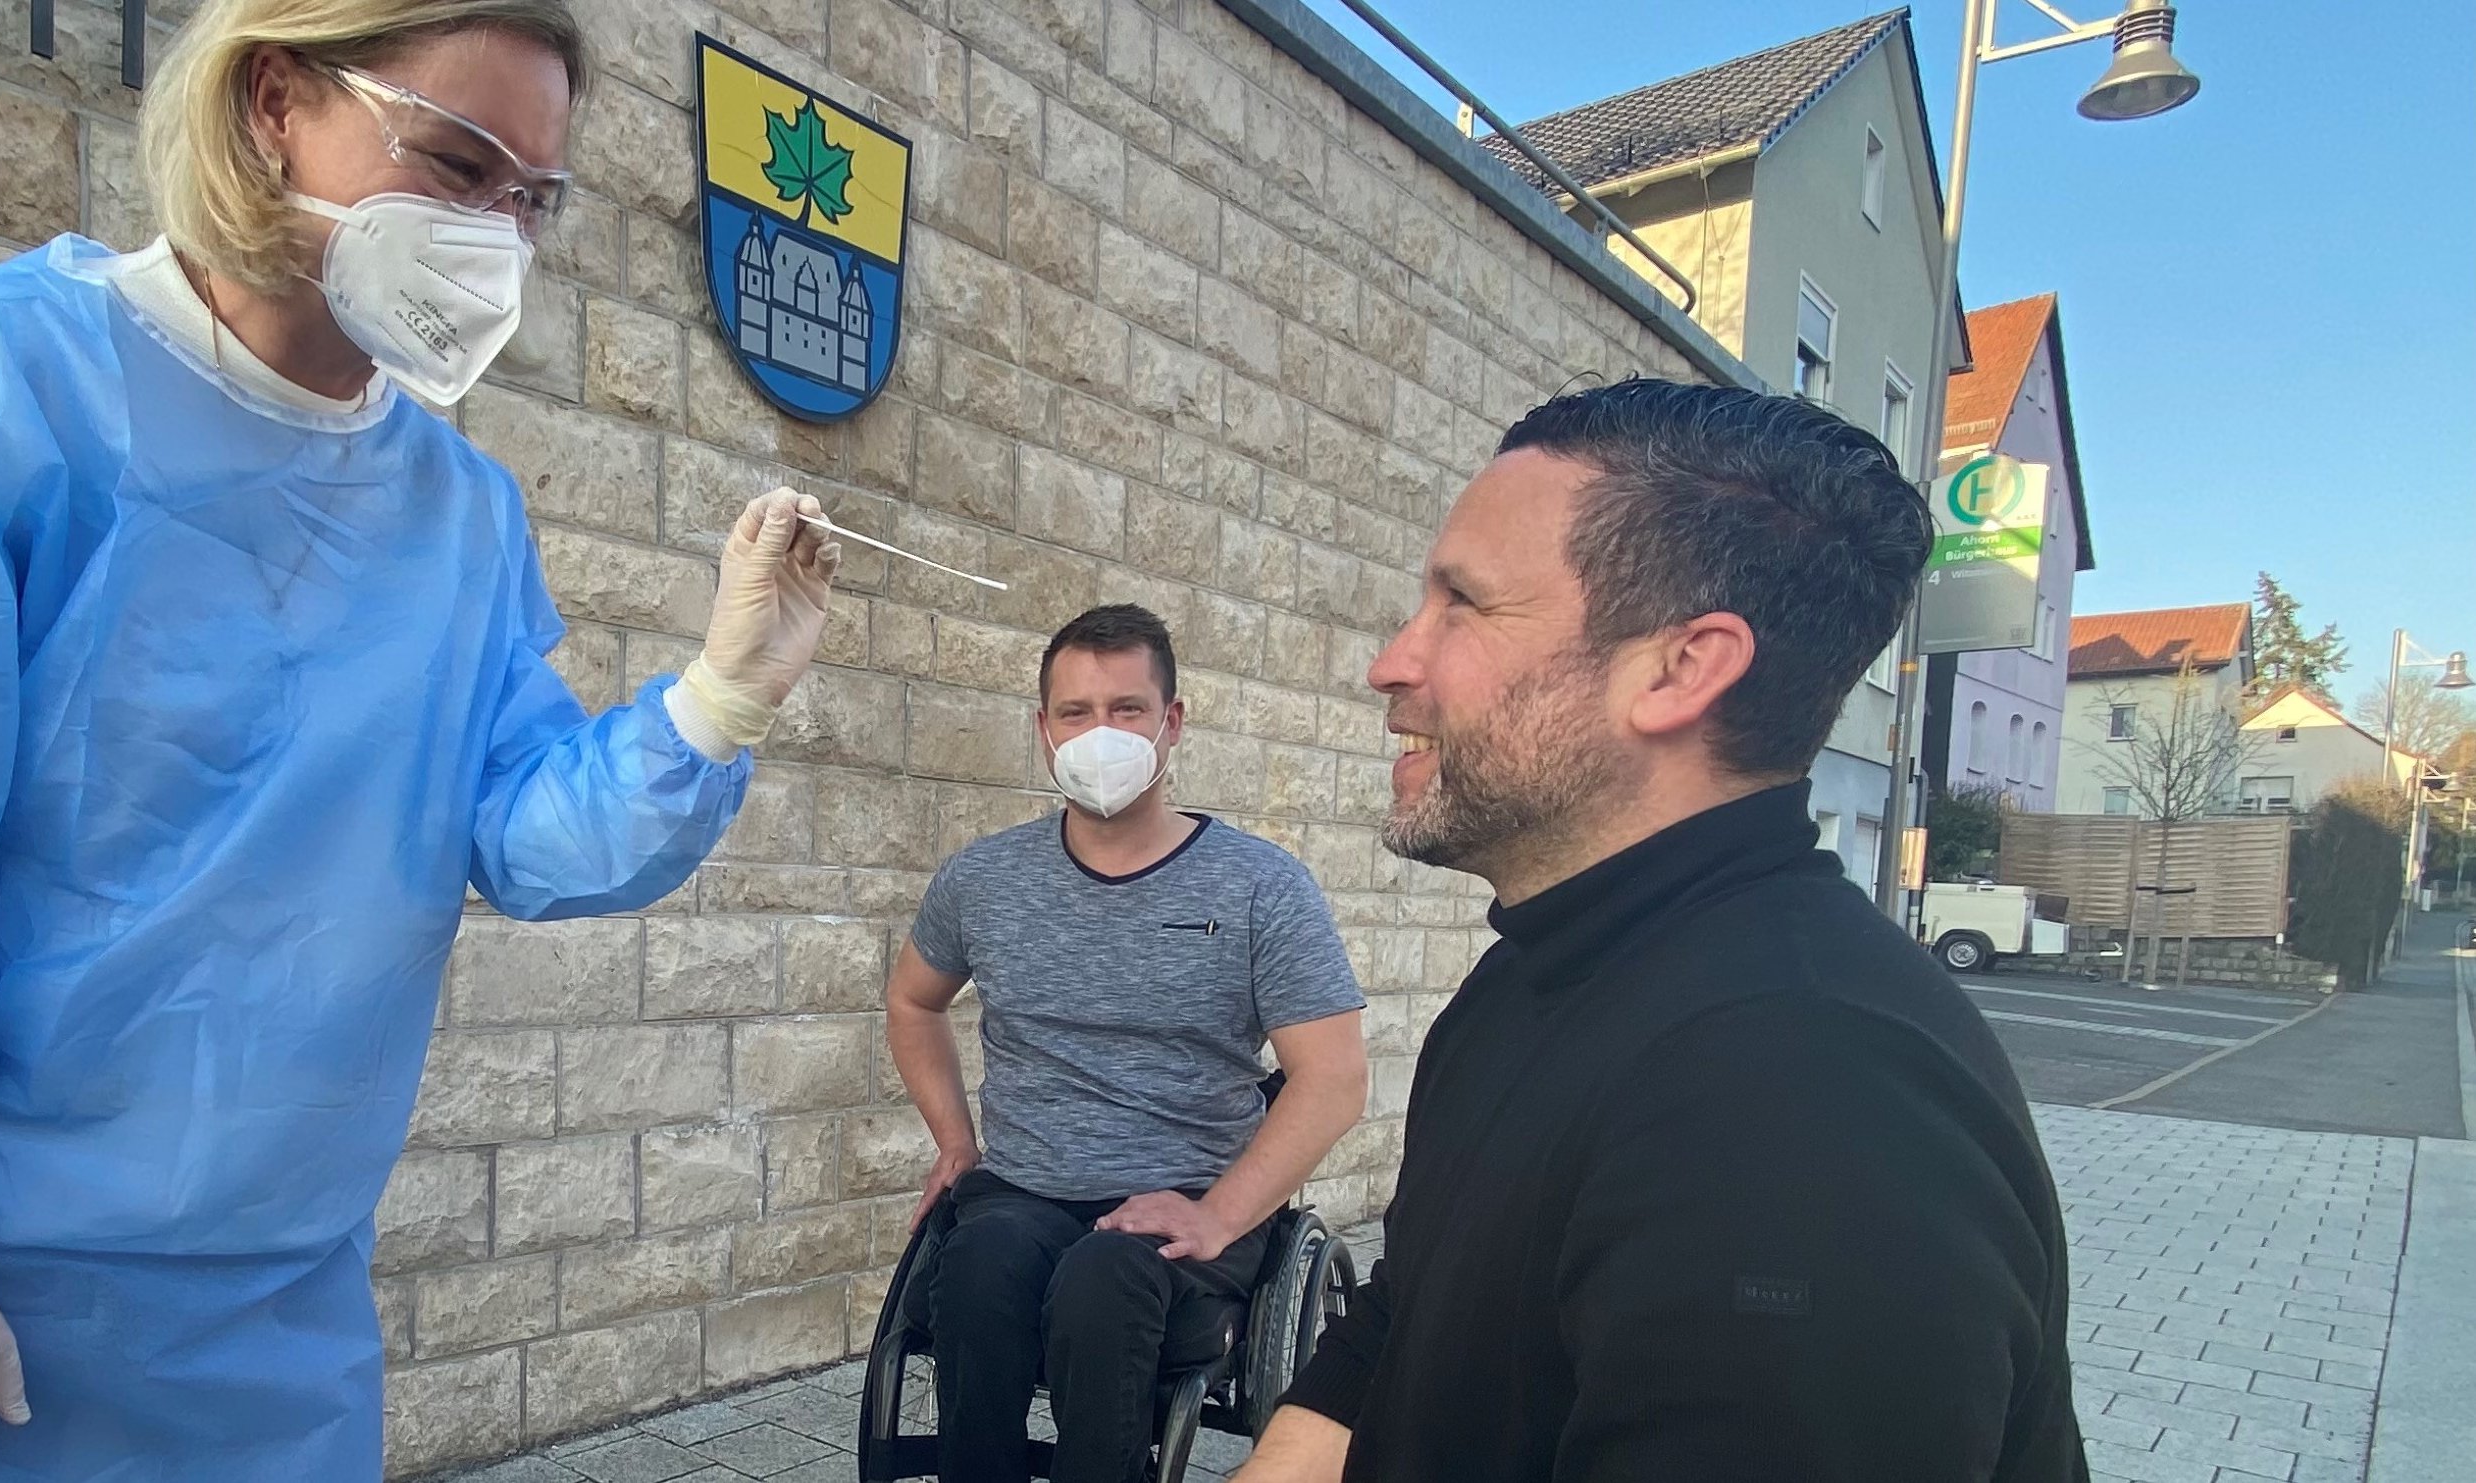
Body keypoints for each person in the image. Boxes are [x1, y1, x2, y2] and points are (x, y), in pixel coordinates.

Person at [0, 1, 840, 1479]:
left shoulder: (455, 511)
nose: (495, 234)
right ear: (275, 97)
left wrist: (721, 694)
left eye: (530, 201)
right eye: (459, 165)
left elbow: (529, 834)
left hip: (269, 1300)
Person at [1238, 380, 2088, 1482]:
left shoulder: (1804, 1096)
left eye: (1463, 605)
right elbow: (1410, 1320)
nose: (1394, 662)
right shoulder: (1537, 973)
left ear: (1683, 668)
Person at [887, 605, 1371, 1483]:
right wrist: (956, 1141)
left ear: (1171, 721)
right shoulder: (985, 879)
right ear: (1043, 730)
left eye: (1126, 709)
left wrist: (1220, 1212)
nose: (1098, 735)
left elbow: (1332, 1077)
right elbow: (913, 1001)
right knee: (978, 1268)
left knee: (1103, 1281)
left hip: (1188, 1199)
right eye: (1074, 713)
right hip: (1026, 1186)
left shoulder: (1261, 886)